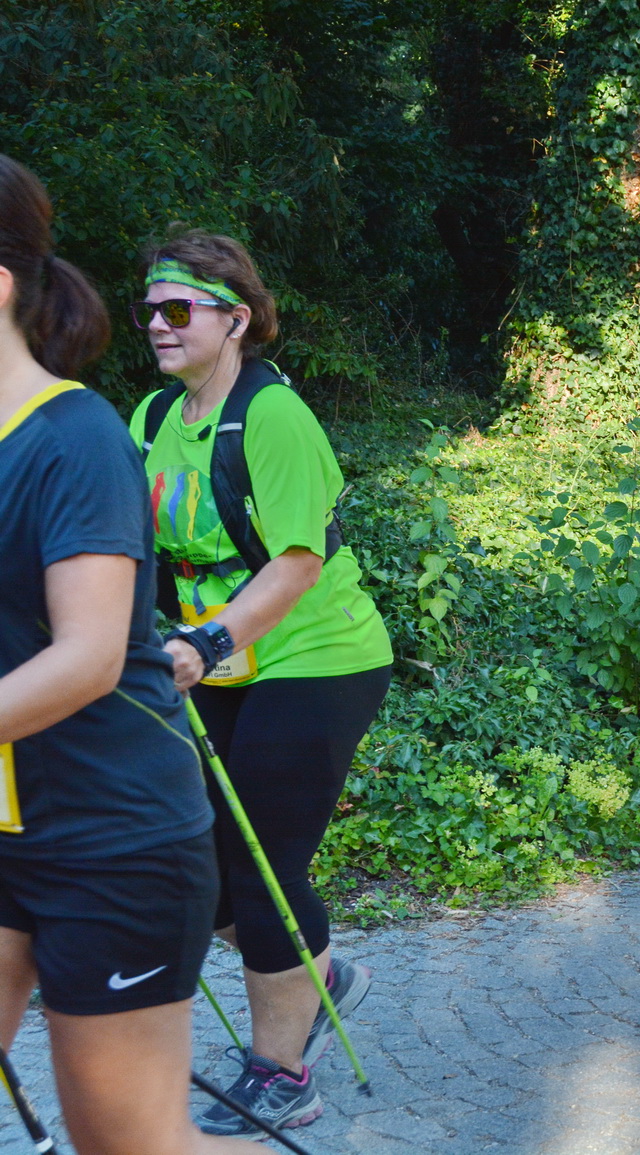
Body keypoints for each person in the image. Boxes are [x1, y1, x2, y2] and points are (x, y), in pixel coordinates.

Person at [0, 155, 267, 1154]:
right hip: (8, 819)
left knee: (131, 1143)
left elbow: (88, 657)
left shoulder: (71, 438)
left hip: (111, 838)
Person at [130, 229, 393, 1137]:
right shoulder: (151, 419)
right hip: (216, 658)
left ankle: (283, 1071)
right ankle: (319, 976)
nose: (158, 324)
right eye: (149, 309)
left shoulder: (272, 416)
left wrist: (204, 639)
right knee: (203, 866)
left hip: (319, 655)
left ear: (236, 319)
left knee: (264, 865)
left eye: (178, 309)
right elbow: (126, 543)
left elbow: (297, 562)